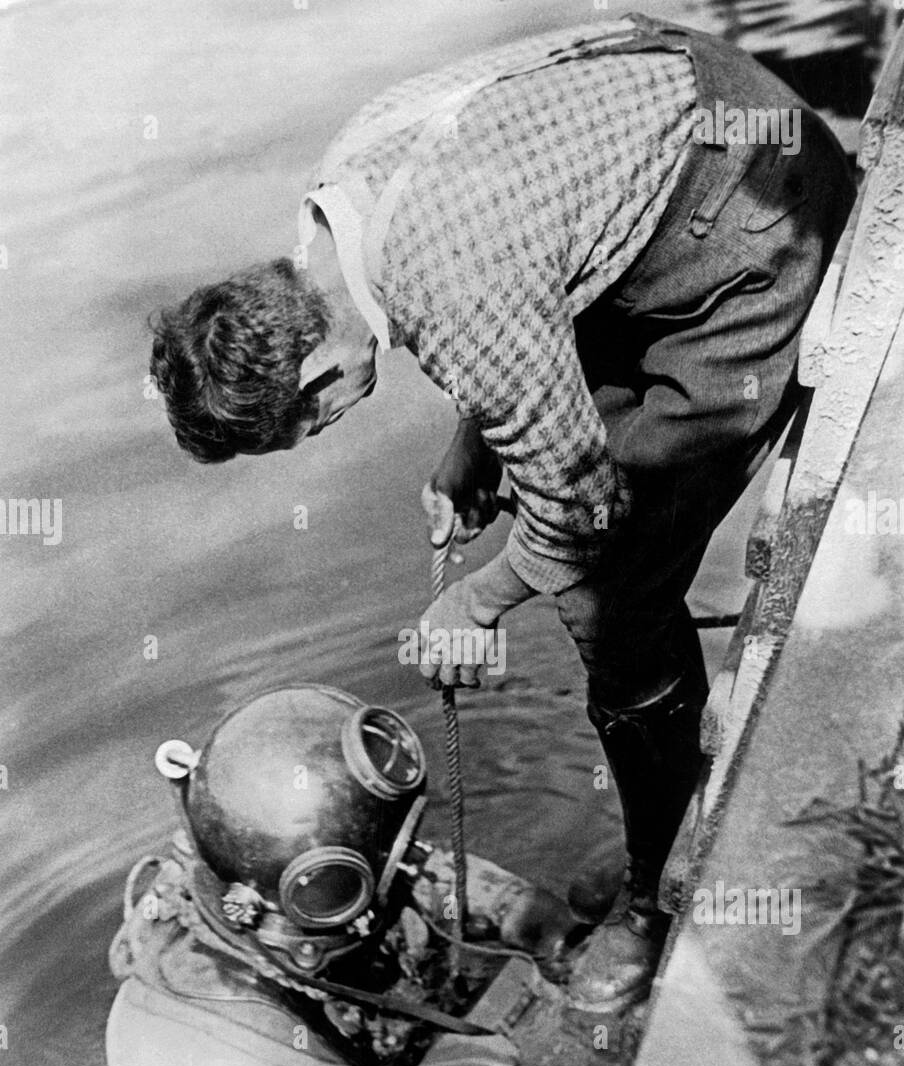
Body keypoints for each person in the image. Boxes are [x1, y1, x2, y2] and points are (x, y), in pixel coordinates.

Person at [148, 14, 856, 1014]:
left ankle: (656, 900)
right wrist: (474, 440)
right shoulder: (339, 197)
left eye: (308, 428)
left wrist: (474, 605)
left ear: (311, 374)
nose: (328, 432)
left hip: (754, 200)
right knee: (570, 482)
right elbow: (521, 269)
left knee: (610, 593)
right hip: (689, 125)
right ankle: (666, 827)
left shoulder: (448, 287)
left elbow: (579, 504)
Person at [106, 686, 609, 1066]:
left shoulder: (289, 880)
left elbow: (418, 874)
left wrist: (566, 942)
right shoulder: (200, 1055)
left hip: (336, 1030)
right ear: (323, 894)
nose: (408, 859)